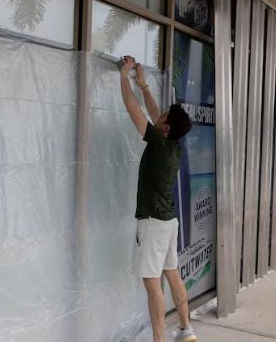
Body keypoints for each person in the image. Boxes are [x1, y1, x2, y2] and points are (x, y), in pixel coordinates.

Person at [118, 55, 197, 342]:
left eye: (163, 116)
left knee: (152, 285)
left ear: (164, 128)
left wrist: (123, 75)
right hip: (168, 221)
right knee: (172, 274)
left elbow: (132, 109)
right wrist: (143, 85)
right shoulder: (173, 144)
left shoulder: (159, 142)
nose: (160, 113)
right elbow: (154, 114)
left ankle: (159, 340)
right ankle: (186, 329)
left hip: (152, 223)